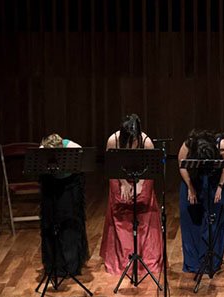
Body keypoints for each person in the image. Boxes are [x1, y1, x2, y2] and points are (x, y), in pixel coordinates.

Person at [99, 114, 163, 277]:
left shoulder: (146, 142)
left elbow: (150, 168)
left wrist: (140, 183)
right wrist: (124, 183)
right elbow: (112, 165)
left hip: (143, 175)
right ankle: (122, 257)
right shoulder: (113, 141)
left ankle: (145, 255)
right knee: (120, 204)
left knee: (143, 205)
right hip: (119, 174)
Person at [178, 129, 224, 273]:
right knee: (191, 220)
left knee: (214, 220)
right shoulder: (188, 145)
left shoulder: (222, 145)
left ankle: (211, 262)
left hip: (214, 181)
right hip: (193, 179)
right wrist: (190, 187)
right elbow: (181, 166)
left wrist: (220, 186)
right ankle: (194, 263)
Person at [38, 133, 89, 278]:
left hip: (70, 185)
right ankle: (55, 264)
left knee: (70, 223)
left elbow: (81, 169)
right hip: (52, 185)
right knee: (51, 224)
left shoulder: (73, 148)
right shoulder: (42, 150)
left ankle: (71, 265)